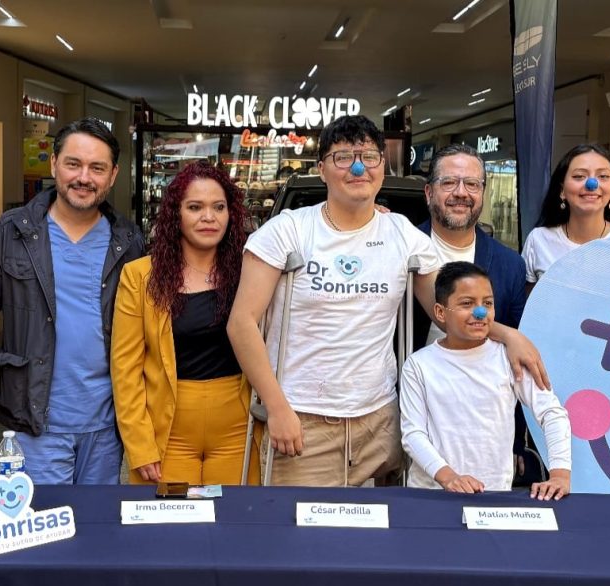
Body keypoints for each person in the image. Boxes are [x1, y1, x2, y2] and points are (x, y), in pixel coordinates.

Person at [227, 115, 547, 487]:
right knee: (306, 524)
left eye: (369, 156)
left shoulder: (402, 234)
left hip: (380, 423)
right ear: (322, 169)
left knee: (387, 524)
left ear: (382, 165)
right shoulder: (288, 230)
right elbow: (242, 322)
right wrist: (277, 407)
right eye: (343, 157)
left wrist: (508, 335)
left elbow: (447, 312)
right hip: (304, 421)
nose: (358, 168)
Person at [0, 118, 144, 485]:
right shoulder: (13, 231)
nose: (84, 177)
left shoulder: (128, 241)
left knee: (97, 519)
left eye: (97, 168)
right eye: (74, 164)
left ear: (113, 175)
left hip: (105, 426)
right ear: (54, 163)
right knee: (43, 518)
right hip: (35, 422)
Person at [111, 160, 259, 485]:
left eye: (219, 207)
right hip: (168, 432)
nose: (209, 217)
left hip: (237, 429)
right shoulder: (140, 276)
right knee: (172, 515)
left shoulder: (250, 272)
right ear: (175, 214)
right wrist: (139, 445)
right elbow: (126, 370)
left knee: (235, 514)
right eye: (195, 207)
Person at [414, 144, 539, 484]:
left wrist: (515, 440)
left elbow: (515, 361)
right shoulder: (402, 245)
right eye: (449, 182)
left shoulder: (510, 265)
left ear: (483, 192)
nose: (461, 193)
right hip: (413, 408)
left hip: (480, 425)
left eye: (472, 184)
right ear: (429, 192)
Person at [400, 261, 571, 499]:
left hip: (492, 494)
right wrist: (449, 477)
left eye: (487, 303)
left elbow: (552, 413)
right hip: (432, 495)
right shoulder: (418, 365)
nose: (480, 312)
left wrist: (560, 474)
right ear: (440, 312)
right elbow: (413, 433)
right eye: (467, 303)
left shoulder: (509, 358)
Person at [523, 143, 610, 291]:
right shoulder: (538, 240)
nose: (592, 184)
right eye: (579, 176)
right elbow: (531, 303)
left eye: (603, 176)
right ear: (562, 190)